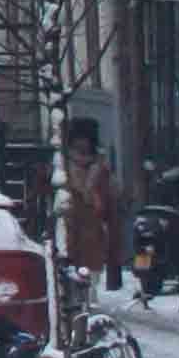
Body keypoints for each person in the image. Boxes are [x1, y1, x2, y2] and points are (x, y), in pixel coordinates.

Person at [59, 117, 122, 286]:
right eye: (78, 143)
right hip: (70, 232)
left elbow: (111, 204)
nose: (82, 146)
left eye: (85, 142)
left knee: (91, 275)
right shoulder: (62, 167)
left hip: (92, 232)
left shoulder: (100, 170)